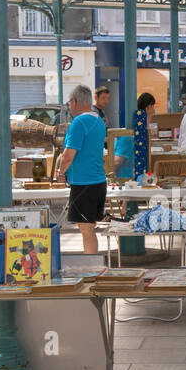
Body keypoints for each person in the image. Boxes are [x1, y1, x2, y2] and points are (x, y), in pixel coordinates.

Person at [56, 85, 107, 254]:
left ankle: (91, 269)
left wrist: (60, 172)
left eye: (70, 102)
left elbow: (68, 155)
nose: (70, 106)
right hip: (98, 181)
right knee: (89, 228)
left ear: (75, 101)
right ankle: (92, 266)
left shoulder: (78, 122)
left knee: (86, 230)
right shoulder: (98, 120)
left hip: (84, 183)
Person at [114, 92, 154, 179]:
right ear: (148, 108)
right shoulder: (128, 137)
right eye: (152, 109)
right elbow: (117, 162)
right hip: (125, 181)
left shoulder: (136, 135)